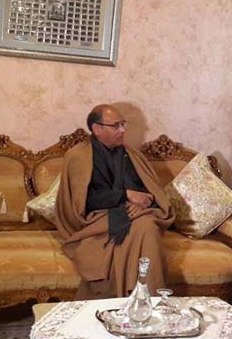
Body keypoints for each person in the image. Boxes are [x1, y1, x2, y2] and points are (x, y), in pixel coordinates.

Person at [55, 104, 174, 299]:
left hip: (134, 214)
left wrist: (140, 202)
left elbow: (149, 190)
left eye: (123, 124)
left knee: (147, 223)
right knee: (146, 226)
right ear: (97, 129)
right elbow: (83, 202)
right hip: (94, 219)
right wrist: (125, 195)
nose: (122, 130)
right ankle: (145, 299)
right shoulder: (78, 156)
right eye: (116, 126)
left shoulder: (131, 155)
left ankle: (143, 299)